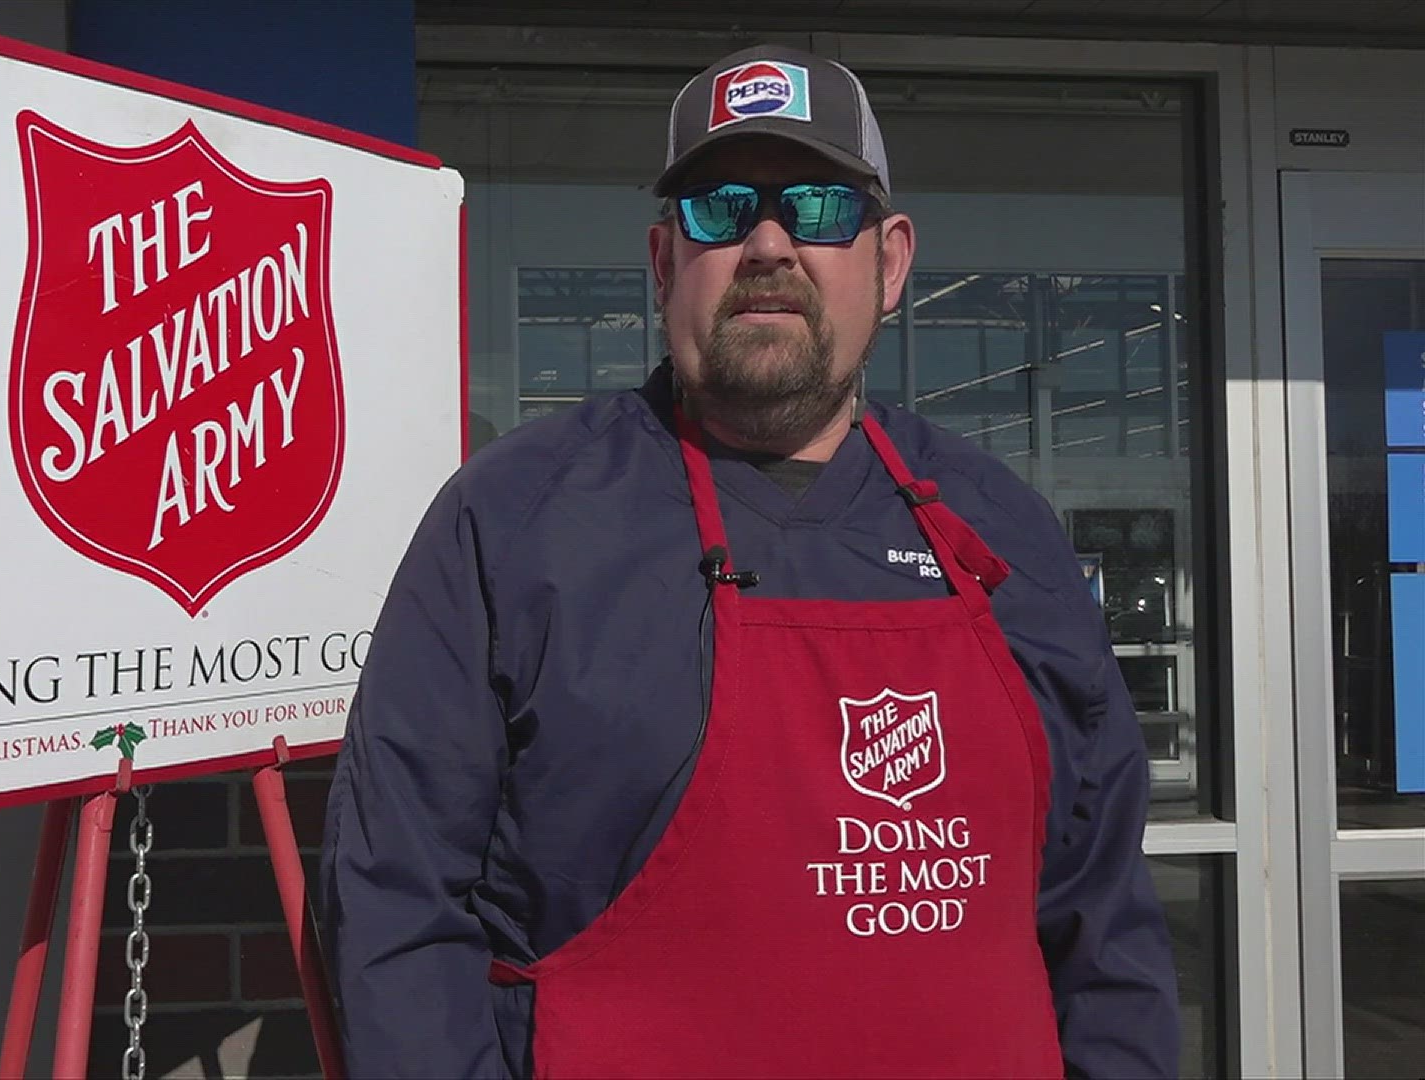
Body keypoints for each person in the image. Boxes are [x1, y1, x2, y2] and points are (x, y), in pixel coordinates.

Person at [320, 43, 1180, 1079]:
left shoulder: (1009, 535)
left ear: (892, 260)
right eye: (719, 208)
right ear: (660, 263)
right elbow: (397, 905)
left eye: (819, 208)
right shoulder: (513, 525)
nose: (769, 243)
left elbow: (1104, 924)